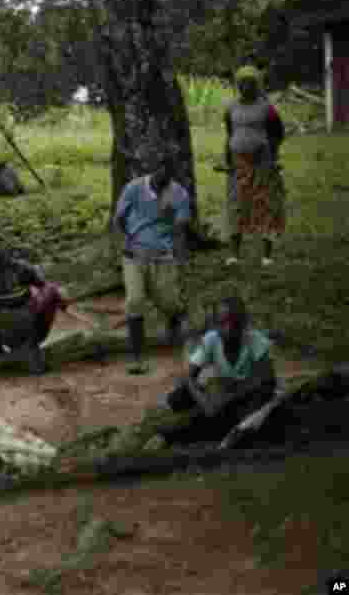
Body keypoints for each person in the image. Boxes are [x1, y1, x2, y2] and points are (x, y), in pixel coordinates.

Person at [157, 296, 277, 444]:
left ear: (244, 323)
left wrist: (227, 398)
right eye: (223, 323)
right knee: (179, 395)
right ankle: (191, 424)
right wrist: (206, 402)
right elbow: (189, 377)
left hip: (243, 395)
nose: (228, 329)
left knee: (258, 399)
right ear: (216, 324)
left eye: (234, 323)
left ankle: (212, 428)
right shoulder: (211, 339)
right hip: (220, 394)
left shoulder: (254, 340)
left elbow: (268, 380)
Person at [113, 155, 191, 375]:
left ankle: (175, 322)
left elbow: (180, 229)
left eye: (170, 174)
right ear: (153, 169)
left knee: (170, 303)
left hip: (163, 256)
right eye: (161, 172)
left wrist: (180, 256)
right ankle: (136, 357)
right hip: (134, 256)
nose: (165, 177)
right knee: (135, 301)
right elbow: (118, 219)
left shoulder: (179, 194)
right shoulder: (134, 189)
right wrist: (126, 241)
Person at [0, 231, 67, 375]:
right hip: (1, 327)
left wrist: (59, 298)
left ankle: (31, 346)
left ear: (6, 248)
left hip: (29, 326)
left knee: (52, 290)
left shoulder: (22, 267)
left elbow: (46, 287)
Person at [222, 66, 286, 266]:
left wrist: (272, 155)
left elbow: (278, 133)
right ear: (237, 85)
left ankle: (267, 256)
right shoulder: (231, 107)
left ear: (256, 85)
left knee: (265, 203)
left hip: (262, 161)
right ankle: (234, 255)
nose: (245, 86)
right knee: (236, 205)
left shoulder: (266, 108)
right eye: (241, 82)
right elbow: (230, 133)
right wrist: (227, 160)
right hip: (237, 162)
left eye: (249, 82)